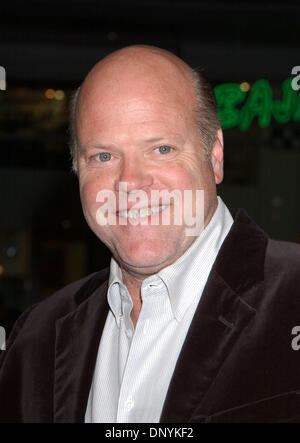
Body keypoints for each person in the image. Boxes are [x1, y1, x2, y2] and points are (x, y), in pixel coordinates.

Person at [0, 45, 300, 423]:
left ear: (215, 155)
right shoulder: (34, 341)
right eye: (103, 156)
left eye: (161, 149)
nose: (130, 183)